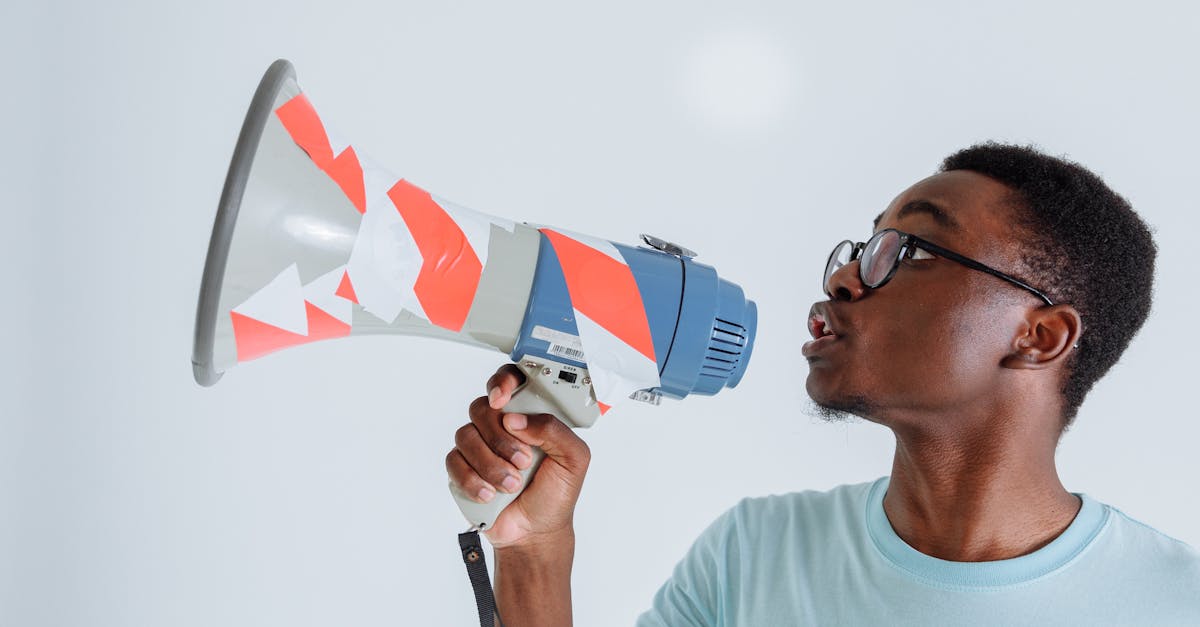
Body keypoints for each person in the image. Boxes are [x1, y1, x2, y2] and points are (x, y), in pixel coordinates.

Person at [445, 143, 1200, 626]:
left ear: (1040, 336)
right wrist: (536, 551)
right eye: (863, 244)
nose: (845, 276)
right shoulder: (755, 554)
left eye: (909, 249)